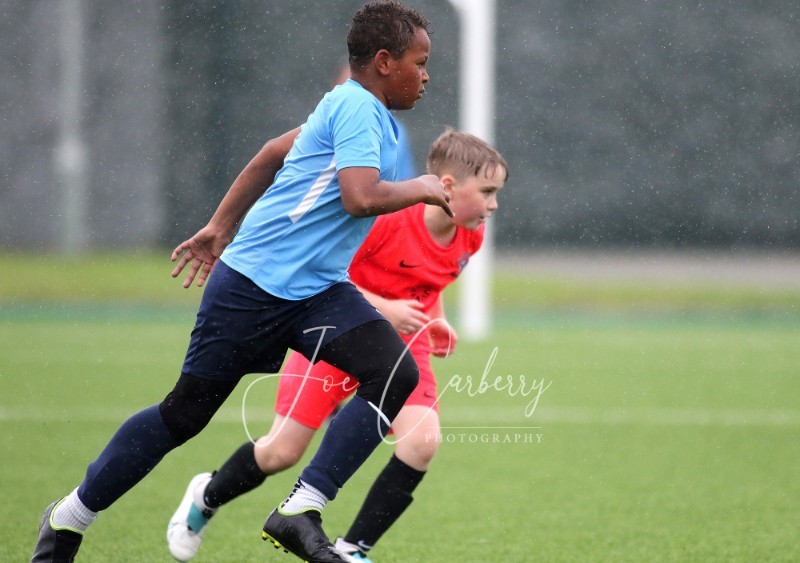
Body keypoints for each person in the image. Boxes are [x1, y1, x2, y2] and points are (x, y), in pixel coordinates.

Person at [31, 2, 446, 562]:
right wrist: (420, 186)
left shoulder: (358, 107)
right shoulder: (355, 104)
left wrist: (219, 225)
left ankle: (301, 509)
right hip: (252, 288)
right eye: (420, 62)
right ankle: (67, 518)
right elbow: (361, 197)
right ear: (382, 62)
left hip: (316, 292)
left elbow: (276, 152)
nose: (426, 76)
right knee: (184, 415)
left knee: (392, 370)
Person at [166, 128, 509, 562]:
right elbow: (324, 277)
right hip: (332, 337)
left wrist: (436, 321)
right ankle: (205, 496)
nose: (495, 205)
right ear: (447, 187)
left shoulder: (469, 235)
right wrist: (385, 308)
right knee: (280, 453)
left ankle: (352, 548)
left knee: (422, 442)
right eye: (487, 191)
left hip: (400, 349)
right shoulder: (387, 220)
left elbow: (427, 284)